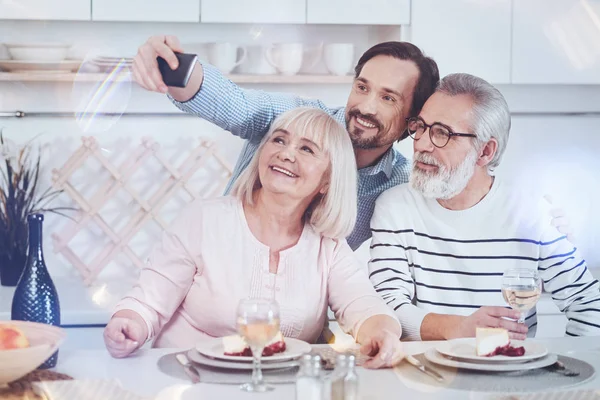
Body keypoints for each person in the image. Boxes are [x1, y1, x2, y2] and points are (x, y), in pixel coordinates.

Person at [104, 108, 403, 369]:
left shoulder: (329, 246)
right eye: (279, 139)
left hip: (278, 388)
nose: (286, 153)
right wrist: (130, 323)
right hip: (188, 382)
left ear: (327, 180)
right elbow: (149, 300)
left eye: (307, 149)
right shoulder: (204, 219)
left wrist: (382, 332)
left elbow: (363, 305)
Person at [132, 35, 440, 250]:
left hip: (301, 319)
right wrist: (173, 66)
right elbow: (231, 101)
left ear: (413, 120)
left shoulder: (400, 186)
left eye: (388, 97)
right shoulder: (293, 120)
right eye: (362, 87)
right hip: (219, 290)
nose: (366, 106)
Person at [369, 73, 600, 341]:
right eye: (420, 126)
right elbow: (385, 306)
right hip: (425, 375)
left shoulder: (531, 212)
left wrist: (564, 370)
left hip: (509, 374)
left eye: (442, 133)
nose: (421, 143)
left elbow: (588, 305)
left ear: (485, 152)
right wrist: (456, 328)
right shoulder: (396, 207)